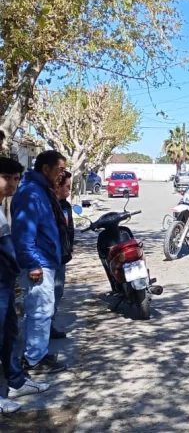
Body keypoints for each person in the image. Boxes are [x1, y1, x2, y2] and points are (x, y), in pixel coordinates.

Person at [11, 150, 69, 374]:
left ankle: (36, 352)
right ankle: (34, 359)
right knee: (39, 312)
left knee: (40, 311)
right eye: (60, 170)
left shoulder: (41, 190)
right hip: (38, 262)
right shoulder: (31, 193)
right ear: (46, 169)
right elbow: (24, 233)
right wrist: (32, 263)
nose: (62, 175)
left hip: (45, 260)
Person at [0, 157, 50, 414]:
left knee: (9, 333)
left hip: (5, 282)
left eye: (16, 178)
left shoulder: (2, 206)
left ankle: (17, 382)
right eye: (7, 178)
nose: (12, 184)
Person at [51, 171, 73, 340]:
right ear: (57, 187)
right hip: (48, 257)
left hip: (62, 256)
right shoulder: (47, 205)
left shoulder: (65, 205)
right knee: (44, 296)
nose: (70, 190)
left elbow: (69, 228)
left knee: (57, 291)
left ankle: (49, 324)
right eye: (67, 187)